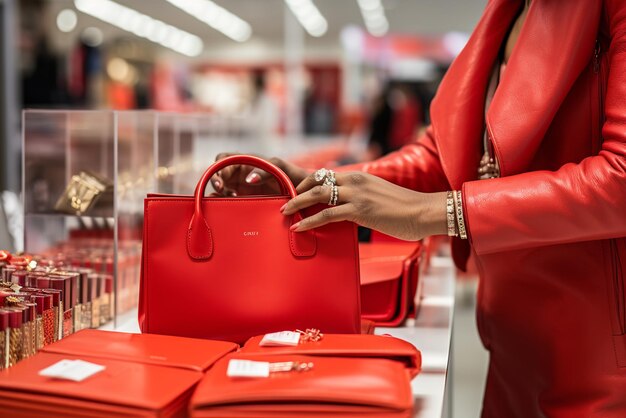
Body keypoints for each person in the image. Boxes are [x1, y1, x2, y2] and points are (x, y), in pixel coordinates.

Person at [212, 0, 626, 416]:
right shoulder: (513, 10)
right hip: (513, 338)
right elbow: (441, 158)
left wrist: (440, 212)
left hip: (594, 358)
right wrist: (314, 181)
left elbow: (621, 178)